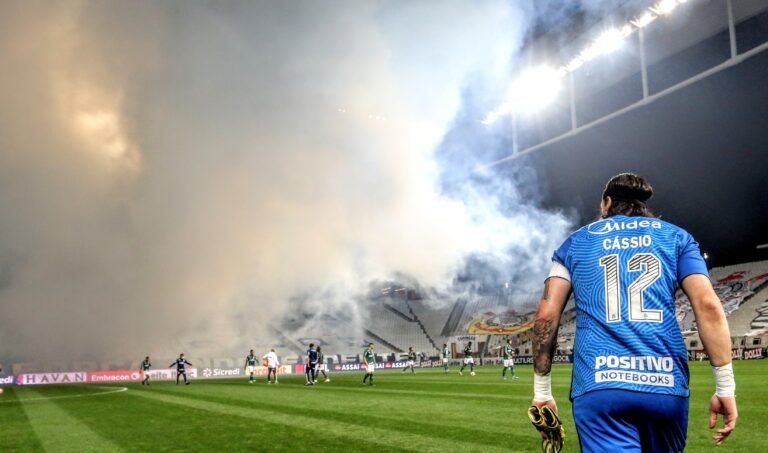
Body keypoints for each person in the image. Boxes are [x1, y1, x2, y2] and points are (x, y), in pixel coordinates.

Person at [531, 173, 737, 451]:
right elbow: (709, 306)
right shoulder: (677, 237)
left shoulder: (575, 242)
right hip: (665, 385)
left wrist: (542, 391)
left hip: (600, 385)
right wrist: (725, 387)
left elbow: (546, 315)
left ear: (607, 202)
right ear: (642, 204)